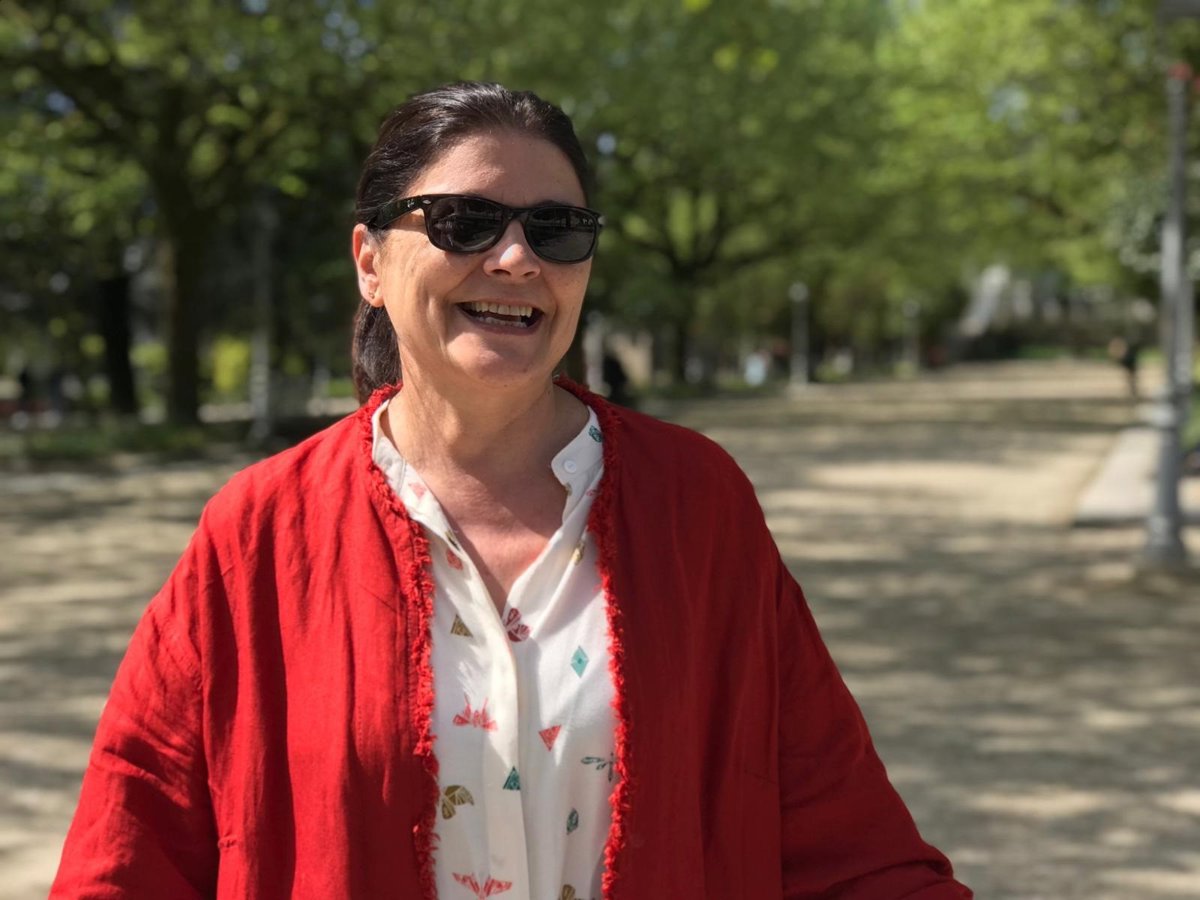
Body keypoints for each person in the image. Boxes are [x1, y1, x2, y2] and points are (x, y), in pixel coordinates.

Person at [51, 82, 971, 899]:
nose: (517, 258)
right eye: (465, 222)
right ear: (369, 262)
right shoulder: (258, 533)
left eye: (556, 229)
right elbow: (130, 853)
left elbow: (845, 841)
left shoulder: (698, 506)